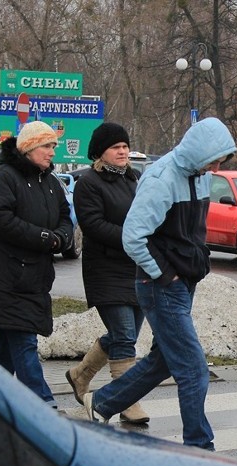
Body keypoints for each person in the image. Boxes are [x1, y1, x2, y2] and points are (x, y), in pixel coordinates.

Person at [80, 117, 237, 450]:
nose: (218, 165)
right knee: (193, 369)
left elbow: (190, 231)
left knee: (164, 359)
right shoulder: (162, 178)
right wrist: (165, 274)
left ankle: (103, 403)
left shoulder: (200, 175)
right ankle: (199, 446)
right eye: (216, 157)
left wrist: (196, 262)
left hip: (182, 281)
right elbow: (133, 237)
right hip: (160, 286)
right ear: (200, 151)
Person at [0, 121, 73, 408]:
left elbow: (65, 218)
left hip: (36, 278)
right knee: (23, 340)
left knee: (9, 344)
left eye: (54, 146)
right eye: (47, 146)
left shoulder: (51, 184)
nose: (52, 152)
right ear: (29, 148)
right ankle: (43, 404)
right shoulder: (4, 178)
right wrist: (44, 237)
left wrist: (62, 238)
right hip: (7, 276)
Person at [66, 122, 149, 424]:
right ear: (101, 152)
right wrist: (132, 236)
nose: (123, 151)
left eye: (125, 146)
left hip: (135, 269)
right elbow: (93, 225)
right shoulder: (89, 183)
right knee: (125, 336)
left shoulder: (134, 179)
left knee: (121, 334)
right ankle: (126, 400)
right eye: (116, 147)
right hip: (105, 269)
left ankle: (80, 375)